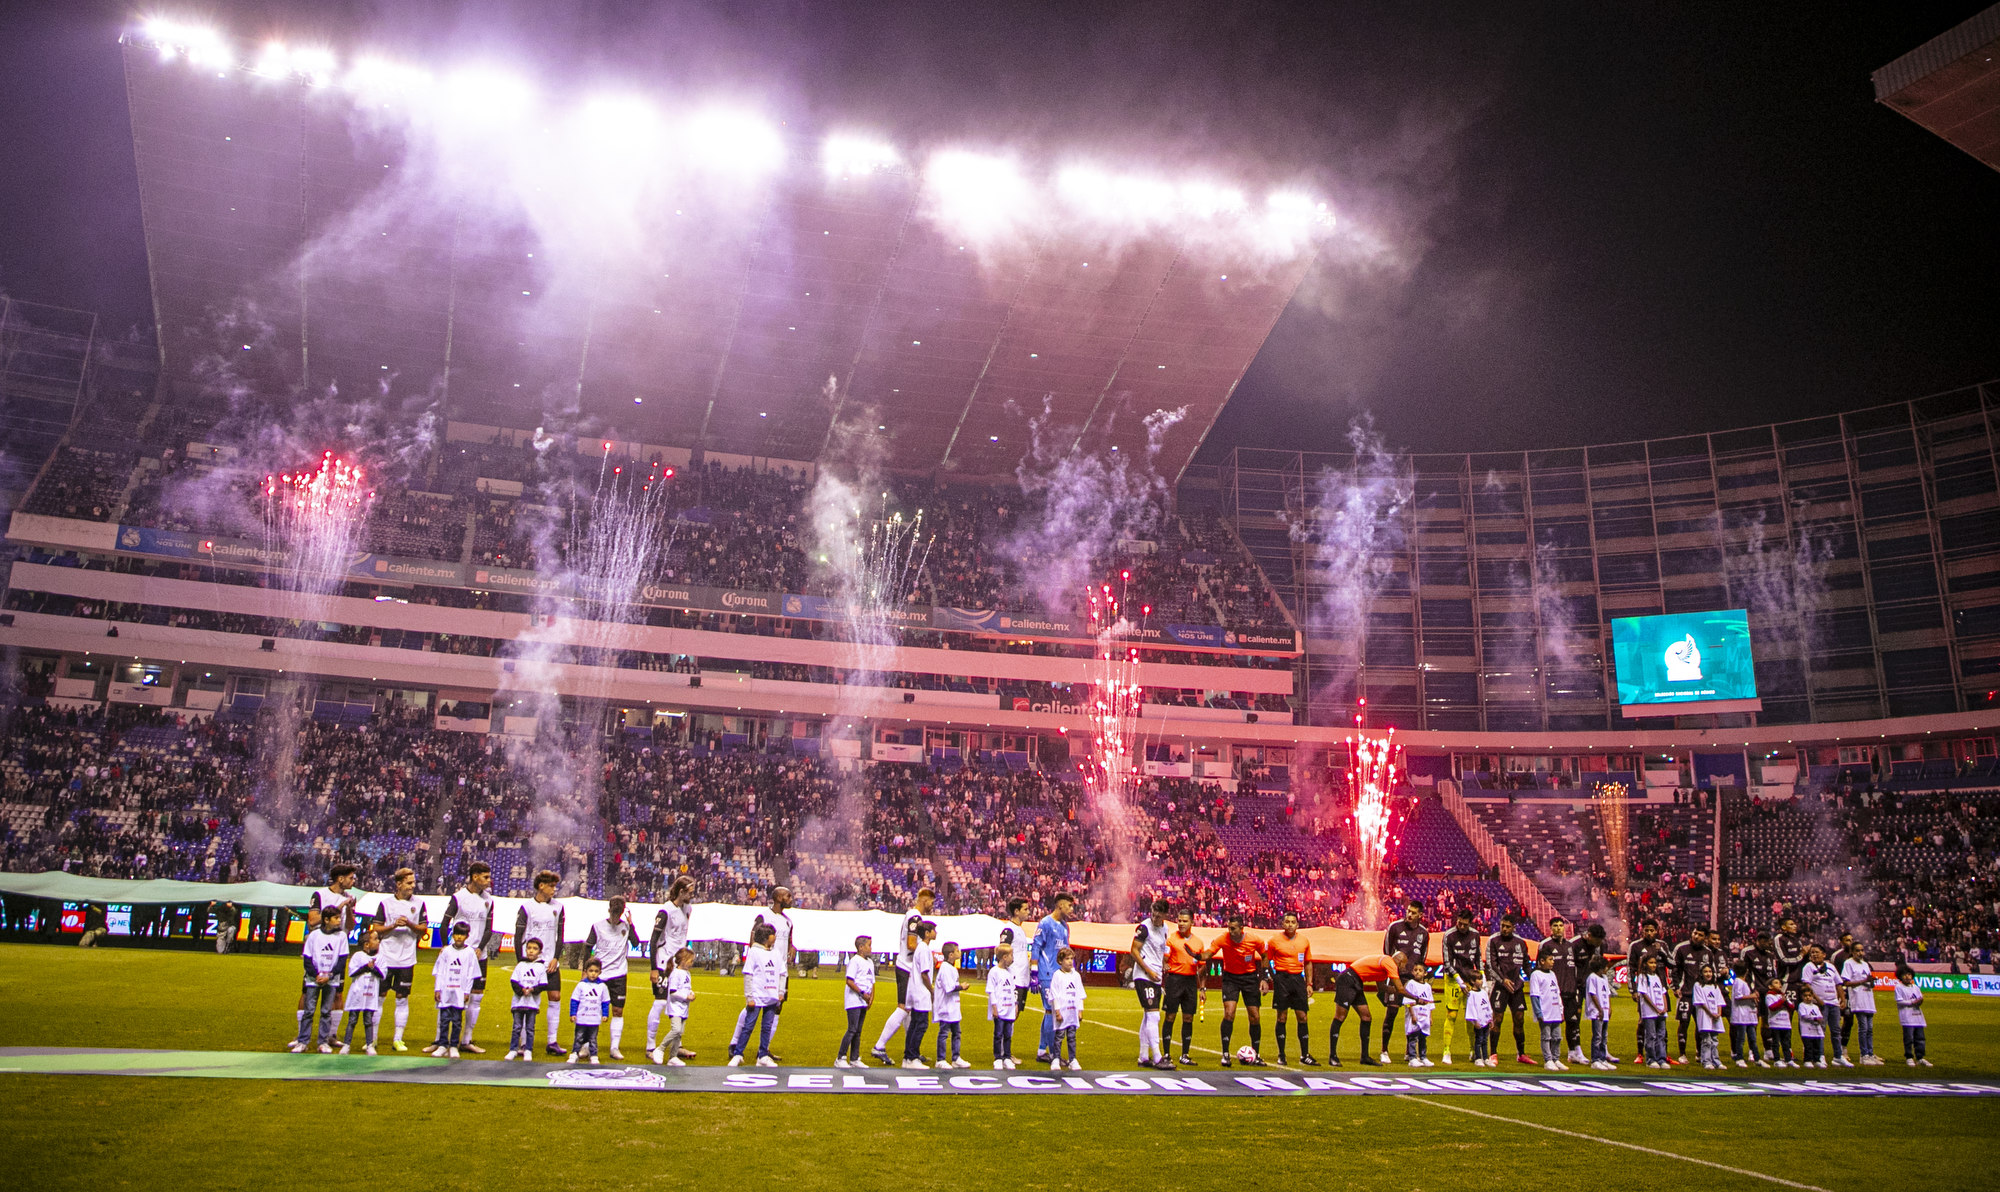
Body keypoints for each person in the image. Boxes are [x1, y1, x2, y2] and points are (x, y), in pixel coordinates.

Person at [871, 887, 939, 1064]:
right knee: (903, 1008)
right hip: (907, 968)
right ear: (924, 899)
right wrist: (925, 951)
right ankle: (879, 1046)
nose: (932, 905)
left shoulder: (913, 916)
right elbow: (911, 944)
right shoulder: (915, 917)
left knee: (910, 1010)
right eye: (931, 902)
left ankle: (912, 1052)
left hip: (908, 967)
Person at [298, 865, 358, 1044]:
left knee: (338, 993)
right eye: (350, 878)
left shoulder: (350, 898)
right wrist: (338, 907)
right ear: (340, 879)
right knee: (307, 991)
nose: (353, 881)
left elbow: (351, 926)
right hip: (319, 947)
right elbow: (312, 921)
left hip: (338, 949)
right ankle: (301, 1035)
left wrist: (348, 909)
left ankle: (331, 1035)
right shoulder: (320, 895)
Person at [370, 867, 428, 1053]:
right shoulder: (385, 904)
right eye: (409, 883)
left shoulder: (419, 904)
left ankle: (398, 1039)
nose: (413, 886)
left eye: (413, 882)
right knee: (379, 998)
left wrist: (409, 924)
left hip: (407, 960)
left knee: (402, 999)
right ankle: (373, 1039)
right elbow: (376, 929)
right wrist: (393, 925)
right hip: (386, 958)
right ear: (398, 884)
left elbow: (423, 929)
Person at [441, 862, 496, 1053]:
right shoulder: (459, 897)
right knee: (449, 994)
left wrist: (480, 948)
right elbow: (444, 923)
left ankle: (466, 1040)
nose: (489, 881)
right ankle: (441, 1040)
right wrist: (444, 946)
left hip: (479, 956)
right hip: (459, 954)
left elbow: (489, 929)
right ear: (474, 877)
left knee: (476, 997)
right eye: (485, 877)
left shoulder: (489, 900)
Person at [514, 871, 567, 1057]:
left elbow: (560, 935)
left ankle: (552, 1041)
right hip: (530, 963)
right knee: (526, 1001)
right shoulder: (527, 907)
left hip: (550, 963)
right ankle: (523, 1043)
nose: (554, 889)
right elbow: (518, 936)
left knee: (555, 997)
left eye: (555, 886)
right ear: (541, 886)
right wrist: (521, 962)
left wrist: (556, 957)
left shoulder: (559, 907)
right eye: (551, 886)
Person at [646, 876, 697, 1062]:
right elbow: (653, 940)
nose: (692, 895)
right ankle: (650, 1046)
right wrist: (653, 968)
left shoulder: (688, 909)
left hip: (680, 965)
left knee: (681, 1004)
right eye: (690, 892)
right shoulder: (665, 911)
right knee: (660, 1003)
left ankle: (678, 1045)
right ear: (681, 891)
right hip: (663, 963)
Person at [583, 896, 637, 1060]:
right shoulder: (598, 926)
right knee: (594, 1010)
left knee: (617, 1010)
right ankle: (586, 1046)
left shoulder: (625, 926)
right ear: (609, 910)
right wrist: (585, 971)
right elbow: (588, 947)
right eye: (614, 913)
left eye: (618, 914)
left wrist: (631, 924)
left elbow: (635, 943)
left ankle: (614, 1047)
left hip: (619, 974)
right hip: (600, 976)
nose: (615, 917)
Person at [1211, 912, 1269, 1067]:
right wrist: (1197, 956)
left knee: (1255, 1016)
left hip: (1250, 978)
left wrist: (1264, 978)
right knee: (1229, 1013)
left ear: (1242, 929)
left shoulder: (1254, 940)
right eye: (1229, 928)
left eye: (1234, 929)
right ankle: (1225, 1054)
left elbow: (1264, 956)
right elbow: (1208, 953)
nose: (1231, 931)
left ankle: (1255, 1054)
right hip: (1230, 978)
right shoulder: (1222, 939)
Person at [747, 887, 797, 1059]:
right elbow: (752, 940)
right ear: (777, 898)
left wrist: (792, 948)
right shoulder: (763, 917)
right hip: (764, 970)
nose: (791, 898)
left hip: (781, 971)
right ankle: (735, 1043)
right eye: (787, 895)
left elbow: (789, 941)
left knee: (777, 1007)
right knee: (753, 1005)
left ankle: (765, 1049)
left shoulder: (788, 921)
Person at [293, 905, 349, 1054]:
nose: (339, 921)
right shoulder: (314, 936)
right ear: (326, 919)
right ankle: (303, 1041)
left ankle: (322, 1042)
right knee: (309, 1011)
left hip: (331, 980)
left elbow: (342, 960)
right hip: (313, 979)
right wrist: (316, 975)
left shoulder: (341, 937)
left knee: (326, 1011)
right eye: (336, 918)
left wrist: (329, 975)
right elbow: (307, 959)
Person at [727, 922, 784, 1068]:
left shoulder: (776, 953)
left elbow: (783, 973)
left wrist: (781, 992)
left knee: (767, 1027)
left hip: (771, 997)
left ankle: (763, 1055)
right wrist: (749, 996)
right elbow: (748, 975)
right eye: (773, 934)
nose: (775, 937)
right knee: (748, 1026)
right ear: (766, 937)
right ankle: (738, 1053)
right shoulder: (754, 952)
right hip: (757, 996)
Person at [1266, 911, 1317, 1067]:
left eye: (1292, 922)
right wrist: (1272, 977)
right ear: (1283, 924)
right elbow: (1267, 960)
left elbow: (1308, 963)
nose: (1289, 924)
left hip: (1298, 979)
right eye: (1287, 922)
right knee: (1282, 1017)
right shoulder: (1274, 941)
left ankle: (1304, 1055)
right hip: (1282, 979)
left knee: (1302, 1017)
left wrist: (1309, 983)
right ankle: (1281, 1055)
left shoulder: (1304, 941)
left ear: (1297, 925)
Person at [1380, 902, 1429, 1062]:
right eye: (1408, 911)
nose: (1409, 915)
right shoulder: (1394, 927)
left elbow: (1422, 958)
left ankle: (1410, 1052)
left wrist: (1420, 978)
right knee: (1392, 1013)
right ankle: (1384, 1051)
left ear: (1420, 915)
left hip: (1412, 980)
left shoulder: (1424, 933)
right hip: (1396, 977)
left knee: (1413, 1015)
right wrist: (1391, 972)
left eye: (1413, 913)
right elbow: (1387, 953)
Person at [1030, 892, 1075, 1063]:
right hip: (1046, 973)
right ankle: (1052, 1053)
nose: (1071, 909)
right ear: (1060, 905)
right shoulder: (1046, 923)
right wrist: (1034, 973)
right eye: (1069, 905)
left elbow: (1066, 950)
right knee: (1051, 1011)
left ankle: (1042, 1050)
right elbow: (1036, 947)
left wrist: (1072, 972)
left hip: (1060, 975)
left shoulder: (1065, 926)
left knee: (1050, 1012)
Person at [1161, 907, 1208, 1067]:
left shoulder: (1198, 943)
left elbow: (1202, 968)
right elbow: (1164, 959)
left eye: (1184, 921)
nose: (1181, 924)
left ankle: (1185, 1055)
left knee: (1188, 1017)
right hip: (1174, 981)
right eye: (1179, 921)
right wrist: (1165, 965)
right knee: (1170, 1016)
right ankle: (1166, 1054)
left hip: (1190, 982)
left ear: (1192, 922)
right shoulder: (1171, 940)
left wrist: (1202, 988)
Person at [1436, 908, 1483, 1066]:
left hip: (1470, 980)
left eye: (1465, 924)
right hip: (1453, 979)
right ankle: (1447, 1050)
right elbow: (1447, 962)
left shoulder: (1475, 935)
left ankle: (1473, 1050)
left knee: (1471, 1017)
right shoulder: (1449, 935)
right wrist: (1459, 981)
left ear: (1470, 923)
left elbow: (1478, 957)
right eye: (1459, 923)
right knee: (1452, 1015)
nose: (1462, 927)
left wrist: (1480, 977)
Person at [1130, 899, 1172, 1070]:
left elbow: (1163, 949)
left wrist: (1163, 963)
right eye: (1153, 913)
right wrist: (1148, 970)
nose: (1154, 917)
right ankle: (1157, 1056)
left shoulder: (1165, 928)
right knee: (1154, 1015)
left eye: (1158, 915)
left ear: (1165, 915)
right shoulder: (1144, 927)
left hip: (1156, 975)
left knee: (1149, 1016)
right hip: (1144, 975)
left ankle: (1143, 1056)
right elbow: (1133, 950)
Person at [1486, 915, 1532, 1063]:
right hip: (1500, 986)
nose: (1504, 929)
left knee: (1519, 1019)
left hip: (1517, 986)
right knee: (1497, 1019)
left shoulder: (1520, 943)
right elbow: (1492, 965)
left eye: (1507, 926)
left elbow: (1526, 964)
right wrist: (1503, 979)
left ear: (1514, 928)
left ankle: (1521, 1054)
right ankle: (1493, 1053)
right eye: (1502, 925)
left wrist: (1534, 979)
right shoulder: (1493, 940)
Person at [432, 920, 480, 1058]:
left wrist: (467, 991)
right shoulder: (446, 951)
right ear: (453, 935)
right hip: (446, 990)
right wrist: (438, 989)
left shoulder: (470, 952)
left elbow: (471, 974)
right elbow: (439, 971)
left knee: (457, 1020)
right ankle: (442, 1045)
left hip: (459, 992)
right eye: (457, 934)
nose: (459, 937)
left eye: (462, 934)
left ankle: (453, 1046)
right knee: (444, 1019)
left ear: (467, 936)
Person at [1540, 916, 1583, 1064]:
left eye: (1561, 925)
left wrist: (1575, 987)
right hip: (1554, 993)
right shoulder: (1545, 945)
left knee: (1573, 1022)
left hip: (1570, 991)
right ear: (1550, 928)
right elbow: (1540, 970)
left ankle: (1574, 1052)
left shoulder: (1570, 946)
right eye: (1555, 926)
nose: (1559, 928)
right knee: (1553, 1025)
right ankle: (1551, 1056)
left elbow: (1575, 968)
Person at [1669, 925, 1712, 1064]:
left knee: (1701, 1025)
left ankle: (1699, 1053)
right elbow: (1674, 969)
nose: (1696, 936)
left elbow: (1711, 973)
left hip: (1702, 996)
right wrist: (1675, 987)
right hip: (1686, 993)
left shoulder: (1708, 953)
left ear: (1705, 938)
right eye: (1695, 933)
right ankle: (1682, 1054)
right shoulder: (1681, 948)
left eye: (1700, 934)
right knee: (1684, 1023)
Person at [1625, 919, 1665, 1063]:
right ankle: (1641, 1053)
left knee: (1661, 1023)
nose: (1649, 933)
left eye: (1652, 930)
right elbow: (1630, 968)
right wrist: (1633, 990)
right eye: (1646, 930)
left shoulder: (1662, 945)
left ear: (1657, 931)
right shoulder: (1635, 946)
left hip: (1660, 990)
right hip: (1645, 988)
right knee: (1643, 1022)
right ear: (1642, 931)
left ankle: (1662, 1054)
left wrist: (1662, 951)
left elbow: (1672, 964)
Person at [1800, 944, 1847, 1068]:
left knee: (1836, 1030)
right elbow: (1807, 985)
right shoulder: (1808, 967)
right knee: (1820, 1030)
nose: (1814, 954)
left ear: (1824, 954)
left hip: (1833, 1003)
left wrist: (1842, 999)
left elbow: (1838, 984)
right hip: (1820, 1004)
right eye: (1812, 953)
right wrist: (1817, 999)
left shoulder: (1831, 967)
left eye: (1817, 952)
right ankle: (1820, 1055)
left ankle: (1838, 1056)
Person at [901, 920, 940, 1070]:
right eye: (934, 930)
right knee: (921, 1025)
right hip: (921, 992)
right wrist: (931, 990)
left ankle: (908, 1056)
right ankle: (912, 1057)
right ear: (927, 933)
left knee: (915, 1024)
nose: (936, 933)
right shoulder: (923, 949)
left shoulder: (921, 948)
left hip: (916, 990)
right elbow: (924, 973)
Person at [340, 928, 385, 1055]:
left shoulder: (380, 958)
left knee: (368, 1020)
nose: (378, 942)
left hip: (370, 994)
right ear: (366, 944)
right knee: (352, 1019)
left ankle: (369, 1044)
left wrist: (373, 968)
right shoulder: (358, 956)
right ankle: (347, 1044)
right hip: (357, 994)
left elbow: (383, 975)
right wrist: (366, 967)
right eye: (375, 939)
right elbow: (352, 972)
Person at [835, 934, 875, 1068]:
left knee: (858, 1030)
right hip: (854, 1000)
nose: (871, 948)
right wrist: (862, 993)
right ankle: (840, 1057)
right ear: (861, 947)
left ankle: (854, 1058)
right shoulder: (855, 961)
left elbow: (872, 981)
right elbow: (849, 981)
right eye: (869, 945)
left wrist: (871, 997)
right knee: (852, 1029)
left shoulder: (869, 962)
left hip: (863, 1001)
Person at [506, 937, 548, 1061]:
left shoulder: (541, 967)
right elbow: (513, 981)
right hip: (518, 1003)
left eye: (535, 949)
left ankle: (528, 1050)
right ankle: (513, 1049)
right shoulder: (520, 965)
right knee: (517, 1027)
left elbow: (544, 985)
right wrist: (521, 990)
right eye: (529, 948)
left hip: (532, 1004)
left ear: (539, 952)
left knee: (530, 1028)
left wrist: (532, 990)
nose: (531, 951)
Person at [1327, 959, 1375, 1067]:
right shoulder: (1389, 965)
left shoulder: (1386, 965)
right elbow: (1395, 987)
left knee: (1366, 1017)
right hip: (1348, 980)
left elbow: (1381, 987)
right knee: (1340, 1016)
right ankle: (1333, 1056)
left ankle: (1365, 1056)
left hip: (1357, 981)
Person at [568, 957, 616, 1065]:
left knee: (593, 1038)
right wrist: (573, 1013)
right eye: (591, 971)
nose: (593, 974)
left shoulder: (602, 986)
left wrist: (605, 1014)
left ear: (600, 972)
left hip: (594, 1018)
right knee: (579, 1036)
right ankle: (574, 1053)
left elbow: (605, 1002)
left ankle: (594, 1055)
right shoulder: (581, 985)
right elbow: (574, 1000)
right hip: (582, 1017)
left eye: (596, 971)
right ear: (586, 971)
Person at [1842, 940, 1881, 1065]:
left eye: (1862, 950)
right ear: (1852, 952)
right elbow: (1846, 982)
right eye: (1857, 950)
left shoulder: (1865, 964)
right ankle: (1863, 1055)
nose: (1860, 953)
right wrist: (1863, 981)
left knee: (1870, 1029)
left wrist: (1871, 981)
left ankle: (1870, 1053)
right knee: (1863, 1028)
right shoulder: (1848, 963)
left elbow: (1869, 983)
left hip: (1868, 998)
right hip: (1858, 999)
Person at [657, 946, 696, 1067]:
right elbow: (673, 992)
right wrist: (686, 997)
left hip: (683, 1008)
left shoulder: (686, 973)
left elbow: (685, 988)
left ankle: (672, 1057)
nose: (692, 963)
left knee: (679, 1033)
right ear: (683, 960)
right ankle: (660, 1049)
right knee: (676, 1030)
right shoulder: (676, 974)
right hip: (675, 1007)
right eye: (690, 960)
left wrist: (691, 993)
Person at [998, 895, 1036, 1019]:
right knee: (1010, 1013)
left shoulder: (1020, 929)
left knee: (1016, 1012)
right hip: (1014, 977)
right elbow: (1002, 950)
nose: (1028, 912)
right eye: (1025, 909)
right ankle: (1003, 1038)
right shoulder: (1009, 929)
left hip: (1023, 977)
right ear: (1016, 911)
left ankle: (1007, 1038)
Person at [1049, 946, 1085, 1071]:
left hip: (1072, 1013)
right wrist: (1057, 1011)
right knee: (1059, 1036)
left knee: (1072, 1036)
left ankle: (1073, 1059)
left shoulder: (1076, 976)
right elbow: (1055, 995)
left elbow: (1080, 994)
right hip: (1062, 1012)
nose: (1070, 961)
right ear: (1060, 961)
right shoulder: (1057, 975)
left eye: (1071, 959)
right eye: (1067, 959)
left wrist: (1080, 1011)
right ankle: (1056, 1058)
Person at [1528, 951, 1566, 1071]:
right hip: (1545, 1011)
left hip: (1555, 1010)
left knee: (1557, 1037)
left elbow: (1557, 992)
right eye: (1550, 959)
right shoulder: (1536, 975)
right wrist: (1538, 1012)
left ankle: (1556, 1058)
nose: (1553, 962)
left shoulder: (1552, 974)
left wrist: (1561, 1010)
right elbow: (1534, 995)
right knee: (1546, 1037)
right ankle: (1548, 1060)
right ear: (1542, 961)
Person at [933, 941, 966, 1070]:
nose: (960, 952)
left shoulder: (951, 968)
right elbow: (949, 988)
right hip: (946, 1007)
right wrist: (961, 987)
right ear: (951, 954)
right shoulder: (945, 968)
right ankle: (940, 1059)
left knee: (956, 1032)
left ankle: (956, 1058)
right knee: (944, 1033)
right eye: (957, 951)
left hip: (953, 1007)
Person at [987, 944, 1019, 1069]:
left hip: (1010, 1009)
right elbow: (991, 991)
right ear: (1004, 957)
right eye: (1011, 956)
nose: (1013, 958)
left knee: (1008, 1034)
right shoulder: (994, 972)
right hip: (1000, 1009)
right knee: (998, 1033)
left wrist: (1015, 1004)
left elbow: (1013, 989)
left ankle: (1007, 1056)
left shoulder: (1011, 972)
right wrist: (994, 1007)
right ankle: (998, 1057)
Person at [1634, 954, 1669, 1068]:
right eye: (1651, 963)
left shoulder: (1657, 977)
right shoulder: (1643, 977)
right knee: (1651, 1036)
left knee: (1661, 1036)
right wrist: (1655, 1008)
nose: (1654, 965)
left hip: (1661, 1012)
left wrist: (1664, 1007)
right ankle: (1651, 1059)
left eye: (1655, 963)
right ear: (1645, 964)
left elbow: (1663, 992)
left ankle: (1661, 1059)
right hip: (1649, 1012)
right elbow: (1644, 994)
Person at [1692, 964, 1726, 1070]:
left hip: (1715, 1016)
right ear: (1701, 974)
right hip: (1705, 1016)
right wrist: (1711, 1013)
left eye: (1710, 971)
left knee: (1714, 1039)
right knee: (1706, 1040)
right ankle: (1706, 1061)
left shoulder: (1715, 986)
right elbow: (1700, 1002)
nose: (1708, 974)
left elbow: (1719, 1001)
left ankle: (1716, 1060)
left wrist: (1718, 1013)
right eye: (1706, 972)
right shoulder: (1698, 985)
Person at [1583, 955, 1614, 1069]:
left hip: (1605, 1010)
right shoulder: (1592, 977)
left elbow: (1608, 993)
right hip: (1597, 1012)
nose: (1606, 969)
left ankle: (1602, 1058)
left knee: (1604, 1036)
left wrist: (1609, 1007)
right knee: (1597, 1036)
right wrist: (1600, 1009)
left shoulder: (1604, 978)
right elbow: (1593, 994)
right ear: (1600, 968)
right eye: (1605, 967)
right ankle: (1595, 1060)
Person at [1893, 968, 1929, 1067]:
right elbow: (1899, 1001)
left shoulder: (1915, 987)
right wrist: (1912, 1002)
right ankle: (1909, 1057)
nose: (1907, 976)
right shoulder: (1899, 987)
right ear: (1900, 976)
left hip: (1918, 1016)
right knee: (1909, 1038)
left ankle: (1920, 1058)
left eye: (1909, 974)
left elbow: (1920, 998)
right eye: (1905, 975)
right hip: (1907, 1017)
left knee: (1920, 1038)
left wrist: (1920, 1002)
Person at [1402, 961, 1435, 1066]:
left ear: (1425, 973)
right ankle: (1412, 1057)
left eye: (1420, 971)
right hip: (1415, 1014)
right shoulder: (1411, 984)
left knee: (1423, 1036)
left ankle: (1423, 1057)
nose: (1417, 973)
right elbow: (1408, 1001)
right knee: (1413, 1036)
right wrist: (1412, 1015)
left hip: (1424, 1015)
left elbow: (1430, 1002)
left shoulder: (1427, 987)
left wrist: (1430, 1017)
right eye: (1415, 970)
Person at [1729, 960, 1760, 1067]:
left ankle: (1757, 1058)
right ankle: (1740, 1058)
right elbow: (1738, 996)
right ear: (1747, 971)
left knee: (1752, 1038)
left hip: (1748, 1015)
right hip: (1741, 1015)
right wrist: (1752, 996)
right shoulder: (1738, 982)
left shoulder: (1742, 982)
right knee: (1741, 1038)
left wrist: (1753, 998)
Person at [1762, 978, 1795, 1067]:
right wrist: (1781, 1002)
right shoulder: (1769, 996)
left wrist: (1784, 1002)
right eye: (1776, 983)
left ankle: (1788, 1059)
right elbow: (1772, 1007)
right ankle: (1777, 1059)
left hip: (1786, 1023)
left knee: (1786, 1043)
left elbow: (1792, 1007)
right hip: (1775, 1023)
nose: (1779, 984)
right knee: (1776, 1042)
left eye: (1780, 983)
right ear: (1770, 986)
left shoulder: (1783, 996)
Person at [1464, 979, 1494, 1067]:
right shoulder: (1471, 994)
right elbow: (1471, 1008)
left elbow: (1488, 1005)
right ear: (1473, 981)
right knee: (1478, 1040)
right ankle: (1478, 1058)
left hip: (1486, 1021)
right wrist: (1474, 1021)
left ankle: (1485, 1058)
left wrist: (1490, 1019)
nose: (1481, 981)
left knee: (1485, 1040)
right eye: (1479, 979)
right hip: (1478, 1022)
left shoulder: (1484, 992)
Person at [1798, 988, 1828, 1067]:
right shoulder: (1802, 1005)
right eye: (1805, 996)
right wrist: (1814, 1019)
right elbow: (1804, 1016)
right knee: (1808, 1046)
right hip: (1806, 1029)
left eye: (1809, 995)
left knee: (1816, 1046)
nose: (1807, 997)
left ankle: (1816, 1060)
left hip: (1816, 1030)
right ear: (1802, 996)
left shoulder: (1815, 1007)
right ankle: (1807, 1060)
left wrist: (1819, 1020)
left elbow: (1820, 1016)